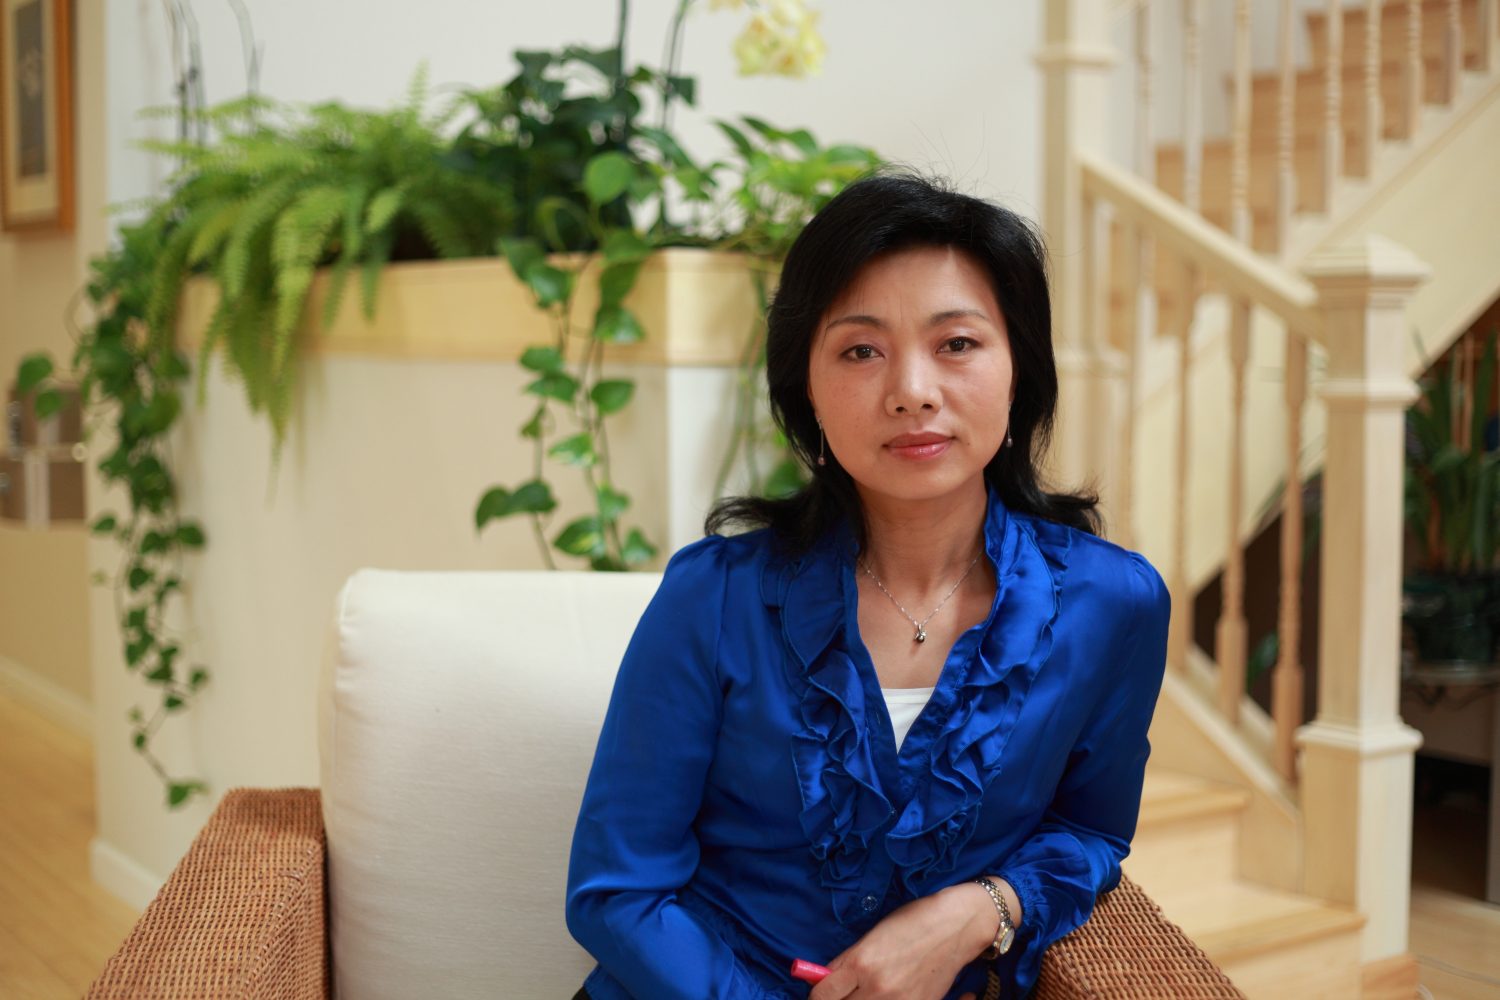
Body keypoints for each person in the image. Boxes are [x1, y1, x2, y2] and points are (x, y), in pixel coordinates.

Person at [565, 172, 1171, 1000]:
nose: (913, 391)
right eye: (861, 351)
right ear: (807, 392)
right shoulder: (714, 598)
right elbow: (617, 893)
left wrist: (978, 911)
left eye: (957, 344)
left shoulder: (1114, 605)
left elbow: (1091, 830)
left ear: (1019, 370)